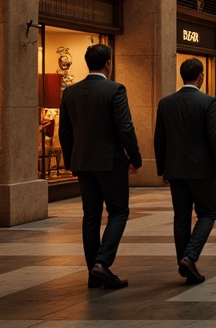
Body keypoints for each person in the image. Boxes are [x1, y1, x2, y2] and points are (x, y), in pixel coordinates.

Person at [58, 44, 142, 289]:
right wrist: (135, 158)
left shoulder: (70, 93)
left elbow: (65, 132)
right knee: (119, 211)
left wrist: (72, 160)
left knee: (91, 216)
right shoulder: (114, 89)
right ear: (108, 63)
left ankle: (93, 274)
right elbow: (125, 127)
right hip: (110, 162)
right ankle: (102, 263)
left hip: (83, 162)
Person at [154, 58, 216, 285]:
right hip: (201, 170)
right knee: (207, 214)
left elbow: (159, 138)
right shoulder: (207, 102)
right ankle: (190, 256)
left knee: (181, 217)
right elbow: (215, 137)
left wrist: (163, 168)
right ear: (201, 76)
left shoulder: (165, 103)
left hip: (175, 169)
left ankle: (185, 264)